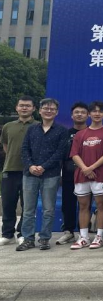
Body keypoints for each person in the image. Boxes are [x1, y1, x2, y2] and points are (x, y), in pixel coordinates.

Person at [17, 98, 69, 251]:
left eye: (52, 109)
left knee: (48, 209)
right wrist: (31, 166)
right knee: (28, 209)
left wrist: (43, 167)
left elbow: (60, 153)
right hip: (30, 174)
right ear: (39, 111)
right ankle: (28, 239)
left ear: (57, 112)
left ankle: (45, 238)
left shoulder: (62, 131)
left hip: (51, 174)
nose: (48, 111)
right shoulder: (32, 129)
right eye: (46, 108)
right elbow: (24, 149)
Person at [68, 101, 103, 250]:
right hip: (81, 174)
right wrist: (85, 168)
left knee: (101, 205)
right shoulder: (80, 134)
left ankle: (99, 236)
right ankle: (83, 237)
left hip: (99, 175)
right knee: (83, 205)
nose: (97, 114)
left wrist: (92, 168)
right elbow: (74, 154)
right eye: (94, 111)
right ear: (89, 114)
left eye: (100, 111)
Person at [0, 96, 35, 246]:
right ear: (17, 108)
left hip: (30, 171)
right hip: (10, 169)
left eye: (28, 106)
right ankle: (7, 234)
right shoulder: (8, 126)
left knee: (27, 205)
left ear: (34, 109)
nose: (24, 108)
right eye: (21, 105)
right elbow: (6, 146)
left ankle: (23, 233)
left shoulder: (38, 126)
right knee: (8, 203)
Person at [57, 102, 89, 246]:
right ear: (71, 115)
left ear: (88, 115)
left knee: (86, 204)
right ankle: (68, 231)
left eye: (83, 112)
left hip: (88, 174)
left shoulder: (93, 133)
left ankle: (84, 233)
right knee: (68, 204)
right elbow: (60, 155)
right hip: (69, 174)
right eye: (77, 112)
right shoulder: (65, 134)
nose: (79, 114)